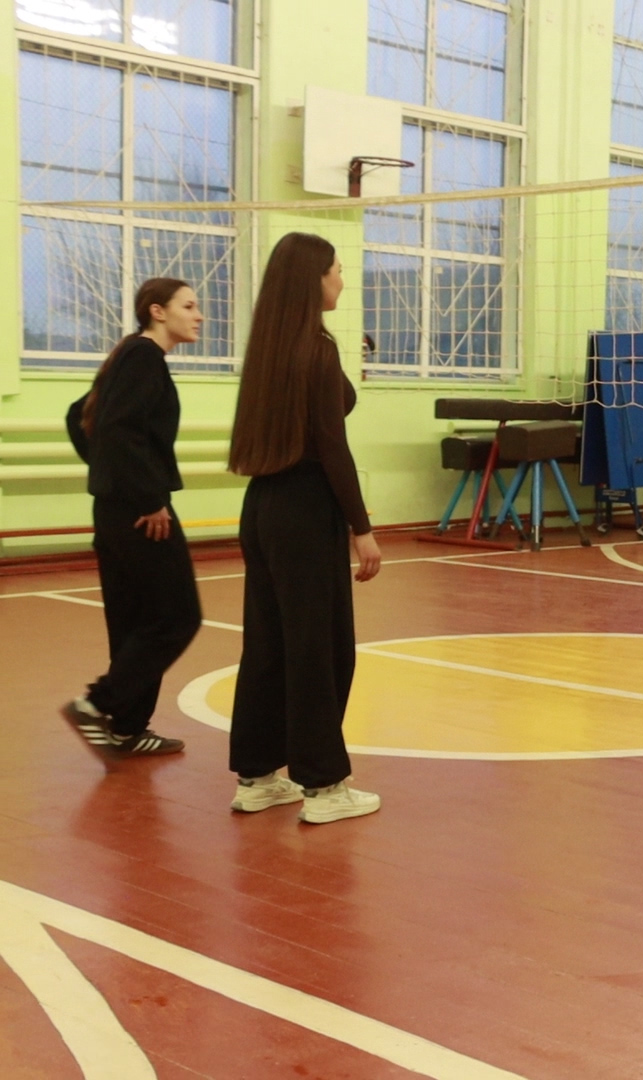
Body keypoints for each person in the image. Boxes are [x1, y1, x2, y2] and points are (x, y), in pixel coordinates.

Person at [225, 232, 384, 825]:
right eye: (336, 269)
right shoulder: (316, 349)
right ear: (313, 279)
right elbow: (331, 447)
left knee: (268, 646)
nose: (342, 279)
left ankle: (258, 777)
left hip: (262, 506)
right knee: (321, 649)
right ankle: (323, 786)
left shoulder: (269, 347)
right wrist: (361, 527)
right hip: (304, 509)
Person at [57, 278, 205, 760]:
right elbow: (119, 431)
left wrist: (110, 477)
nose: (199, 315)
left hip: (117, 507)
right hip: (141, 512)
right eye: (189, 306)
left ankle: (127, 728)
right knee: (176, 617)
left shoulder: (131, 356)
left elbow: (79, 417)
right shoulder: (143, 356)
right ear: (158, 311)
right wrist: (146, 497)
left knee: (135, 620)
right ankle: (98, 704)